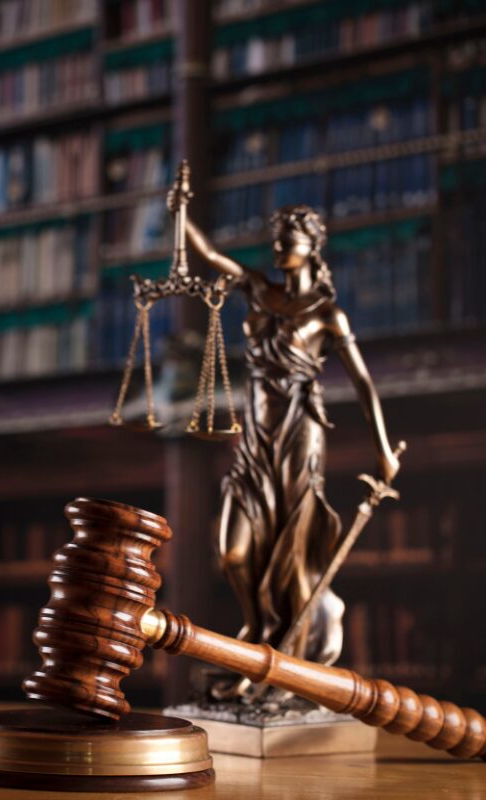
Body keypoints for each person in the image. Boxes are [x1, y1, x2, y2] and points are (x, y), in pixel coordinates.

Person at [183, 205, 400, 702]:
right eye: (275, 239)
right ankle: (260, 634)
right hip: (255, 441)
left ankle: (280, 670)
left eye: (287, 239)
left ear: (311, 245)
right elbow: (213, 255)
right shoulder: (260, 288)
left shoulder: (328, 314)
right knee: (234, 553)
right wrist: (182, 215)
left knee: (294, 561)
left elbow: (364, 383)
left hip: (300, 440)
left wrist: (383, 450)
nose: (277, 247)